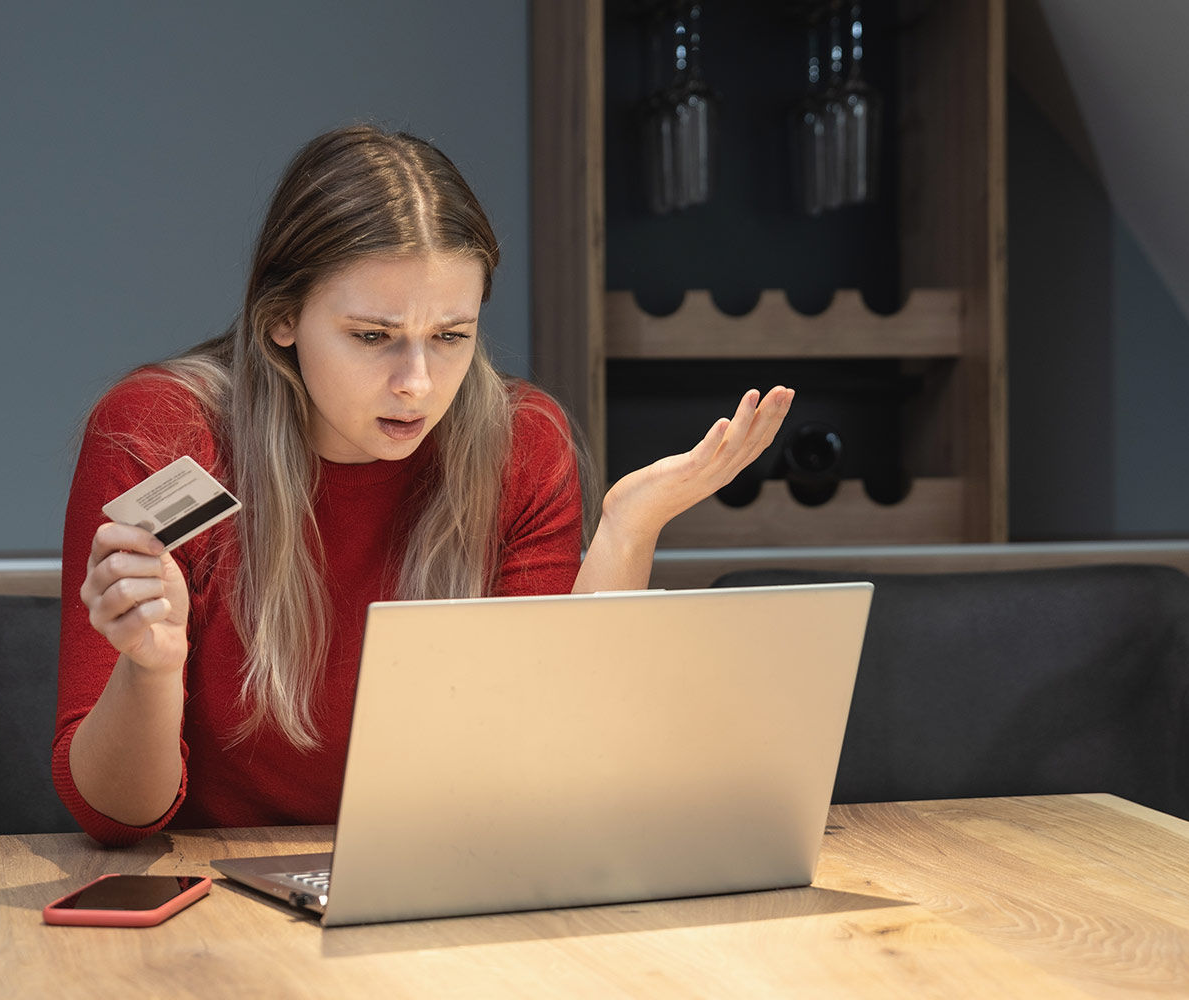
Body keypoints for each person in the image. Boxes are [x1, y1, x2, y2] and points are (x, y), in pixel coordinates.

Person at [54, 124, 793, 846]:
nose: (416, 385)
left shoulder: (520, 441)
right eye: (372, 337)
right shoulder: (161, 431)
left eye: (451, 337)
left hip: (442, 870)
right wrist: (153, 668)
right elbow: (117, 816)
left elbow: (548, 772)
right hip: (218, 897)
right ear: (280, 318)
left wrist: (629, 531)